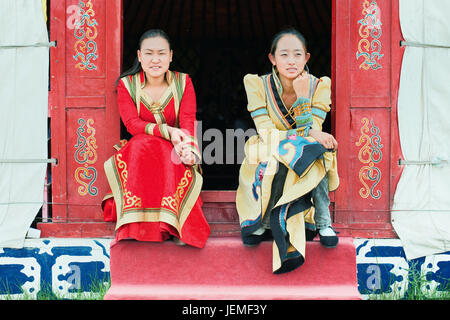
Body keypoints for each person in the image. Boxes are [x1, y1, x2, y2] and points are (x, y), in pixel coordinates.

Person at [236, 28, 339, 274]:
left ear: (307, 58)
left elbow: (315, 128)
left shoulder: (319, 86)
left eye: (297, 55)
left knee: (318, 150)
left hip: (300, 145)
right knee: (281, 152)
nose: (291, 61)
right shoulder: (257, 84)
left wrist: (303, 98)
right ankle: (261, 221)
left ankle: (323, 222)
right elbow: (266, 130)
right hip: (269, 142)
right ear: (272, 58)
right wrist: (307, 134)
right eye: (284, 55)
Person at [102, 29, 210, 248]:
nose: (155, 59)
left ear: (171, 55)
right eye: (149, 53)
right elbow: (133, 125)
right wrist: (168, 132)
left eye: (161, 53)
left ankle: (172, 225)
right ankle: (138, 226)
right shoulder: (126, 85)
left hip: (176, 148)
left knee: (170, 154)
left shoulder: (183, 82)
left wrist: (189, 149)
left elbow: (188, 120)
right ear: (139, 56)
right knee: (143, 143)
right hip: (141, 151)